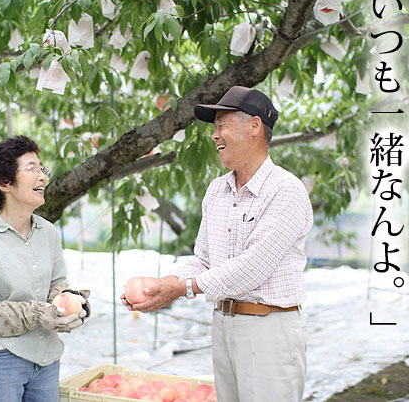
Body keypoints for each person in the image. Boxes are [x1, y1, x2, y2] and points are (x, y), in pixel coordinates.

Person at [122, 86, 313, 402]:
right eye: (215, 127)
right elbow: (204, 259)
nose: (214, 135)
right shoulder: (218, 190)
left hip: (268, 330)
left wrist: (182, 289)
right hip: (223, 322)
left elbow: (253, 268)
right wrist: (164, 284)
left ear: (253, 126)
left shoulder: (285, 191)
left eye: (222, 125)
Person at [0, 135, 91, 402]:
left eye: (42, 169)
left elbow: (57, 284)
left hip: (47, 357)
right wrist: (39, 313)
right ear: (5, 183)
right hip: (0, 359)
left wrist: (72, 302)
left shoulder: (48, 232)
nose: (42, 176)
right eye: (31, 169)